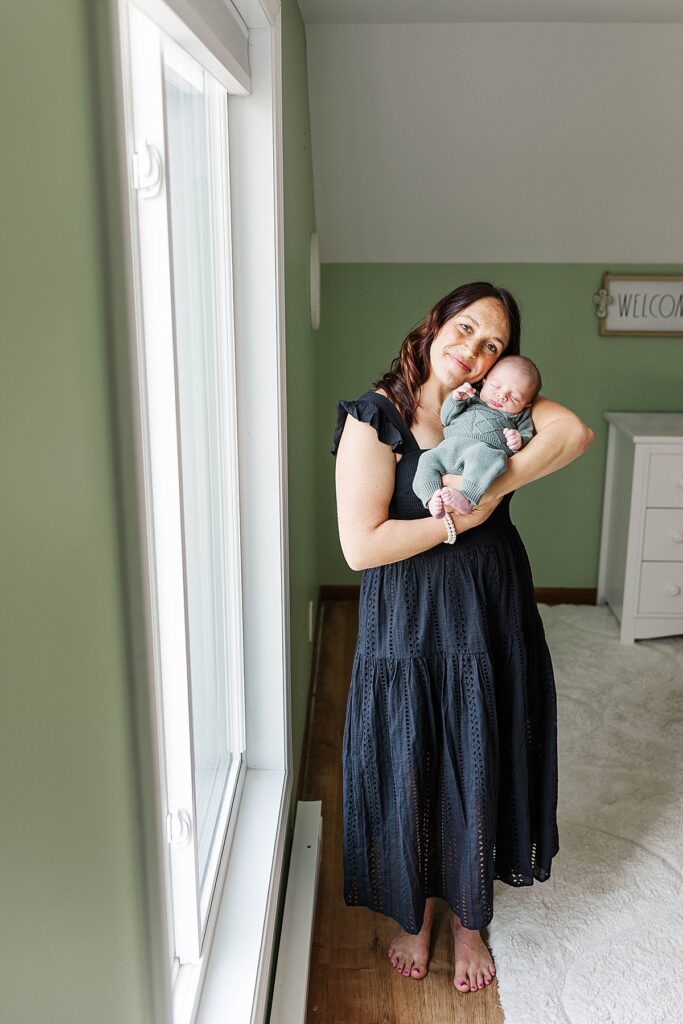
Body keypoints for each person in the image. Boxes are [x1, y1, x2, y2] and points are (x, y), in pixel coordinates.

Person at [330, 281, 594, 995]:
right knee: (411, 756)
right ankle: (413, 911)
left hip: (487, 608)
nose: (474, 350)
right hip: (409, 621)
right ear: (435, 323)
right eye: (466, 329)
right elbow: (362, 545)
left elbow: (574, 431)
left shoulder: (494, 402)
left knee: (481, 746)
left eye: (493, 345)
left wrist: (495, 483)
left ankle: (468, 920)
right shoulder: (374, 415)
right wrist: (457, 521)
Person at [413, 354, 541, 518]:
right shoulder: (471, 399)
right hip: (450, 450)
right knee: (427, 459)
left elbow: (527, 435)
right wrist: (456, 398)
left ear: (527, 404)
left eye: (515, 397)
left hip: (483, 456)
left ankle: (467, 498)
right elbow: (446, 417)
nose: (502, 396)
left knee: (484, 454)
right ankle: (431, 498)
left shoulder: (518, 416)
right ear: (485, 381)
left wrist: (519, 440)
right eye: (496, 386)